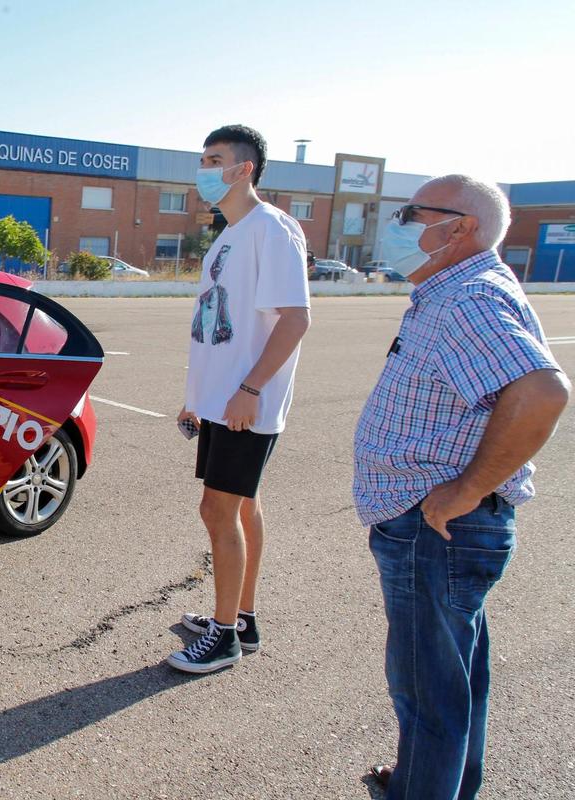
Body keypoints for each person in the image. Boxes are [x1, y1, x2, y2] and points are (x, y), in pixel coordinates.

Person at [355, 174, 569, 798]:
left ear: (459, 227)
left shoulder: (465, 298)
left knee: (427, 689)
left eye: (410, 215)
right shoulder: (453, 291)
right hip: (441, 528)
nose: (398, 227)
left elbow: (541, 393)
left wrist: (466, 489)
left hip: (437, 529)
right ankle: (437, 782)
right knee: (453, 675)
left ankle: (423, 787)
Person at [169, 124, 312, 674]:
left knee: (218, 510)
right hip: (220, 404)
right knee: (243, 505)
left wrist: (250, 389)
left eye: (215, 159)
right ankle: (241, 620)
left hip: (245, 406)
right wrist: (195, 398)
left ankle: (224, 638)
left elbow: (295, 320)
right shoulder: (228, 235)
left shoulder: (271, 230)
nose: (204, 170)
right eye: (202, 159)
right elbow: (213, 328)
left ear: (243, 168)